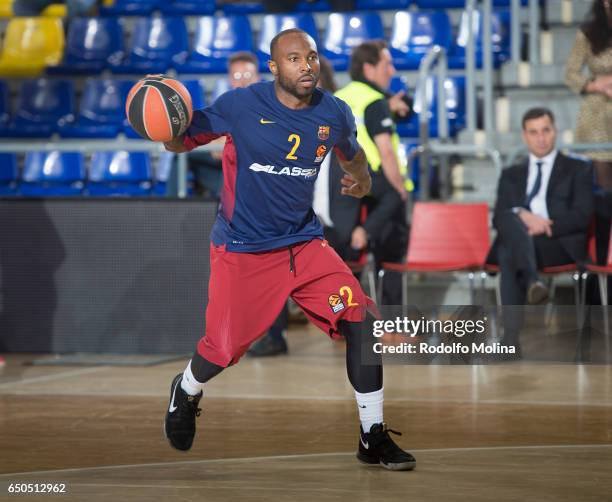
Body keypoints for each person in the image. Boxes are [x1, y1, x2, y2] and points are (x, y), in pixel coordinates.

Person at [162, 28, 415, 471]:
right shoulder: (240, 105)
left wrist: (364, 181)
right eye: (295, 59)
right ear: (275, 68)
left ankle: (372, 435)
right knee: (222, 349)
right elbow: (180, 140)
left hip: (303, 244)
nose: (307, 65)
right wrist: (164, 124)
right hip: (243, 249)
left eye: (312, 57)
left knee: (362, 319)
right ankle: (186, 389)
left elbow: (351, 152)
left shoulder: (333, 112)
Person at [488, 108, 593, 349]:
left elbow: (582, 215)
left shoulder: (578, 168)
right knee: (508, 220)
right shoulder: (511, 173)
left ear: (555, 132)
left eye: (546, 130)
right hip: (521, 239)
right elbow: (500, 217)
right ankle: (533, 282)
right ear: (525, 136)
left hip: (558, 242)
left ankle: (510, 343)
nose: (541, 138)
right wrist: (522, 215)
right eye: (534, 132)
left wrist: (543, 226)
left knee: (508, 249)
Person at [334, 40, 413, 305]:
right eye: (387, 64)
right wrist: (400, 189)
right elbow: (386, 152)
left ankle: (351, 322)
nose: (391, 70)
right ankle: (391, 327)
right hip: (375, 182)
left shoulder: (340, 96)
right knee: (390, 257)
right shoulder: (375, 100)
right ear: (369, 68)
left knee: (348, 261)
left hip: (340, 184)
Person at [166, 52, 261, 198]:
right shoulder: (226, 105)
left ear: (257, 78)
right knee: (181, 157)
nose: (242, 82)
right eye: (237, 76)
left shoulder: (266, 106)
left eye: (247, 76)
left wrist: (227, 143)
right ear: (230, 80)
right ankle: (170, 210)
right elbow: (212, 142)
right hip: (221, 169)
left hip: (254, 173)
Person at [564, 0, 612, 188]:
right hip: (597, 115)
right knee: (603, 183)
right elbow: (571, 74)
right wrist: (597, 85)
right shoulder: (588, 33)